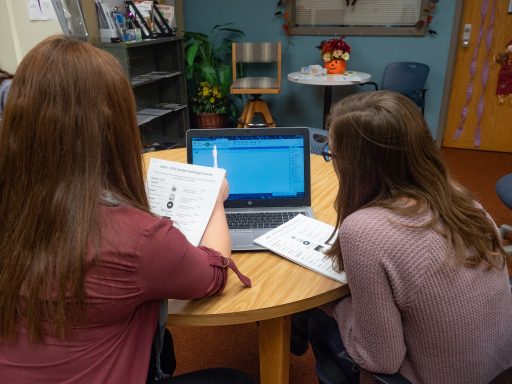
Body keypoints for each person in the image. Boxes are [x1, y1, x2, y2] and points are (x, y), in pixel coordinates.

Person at [0, 35, 251, 384]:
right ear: (114, 128)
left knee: (165, 347)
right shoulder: (137, 238)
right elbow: (215, 272)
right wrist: (214, 198)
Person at [291, 91, 512, 384]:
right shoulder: (464, 202)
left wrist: (333, 307)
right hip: (498, 369)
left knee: (310, 312)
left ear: (356, 165)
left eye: (332, 154)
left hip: (437, 376)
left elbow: (381, 358)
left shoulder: (364, 229)